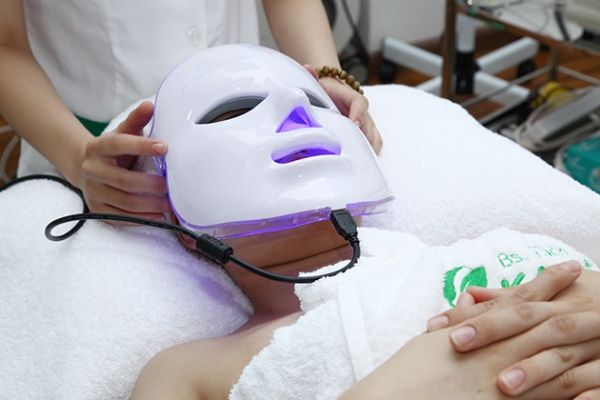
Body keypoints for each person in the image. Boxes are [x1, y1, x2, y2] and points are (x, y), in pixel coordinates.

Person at [126, 44, 600, 399]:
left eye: (315, 103)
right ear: (172, 210)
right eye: (236, 110)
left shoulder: (497, 253)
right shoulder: (188, 372)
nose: (296, 116)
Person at [0, 0, 381, 223]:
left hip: (255, 138)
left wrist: (325, 79)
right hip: (98, 166)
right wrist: (78, 159)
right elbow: (5, 45)